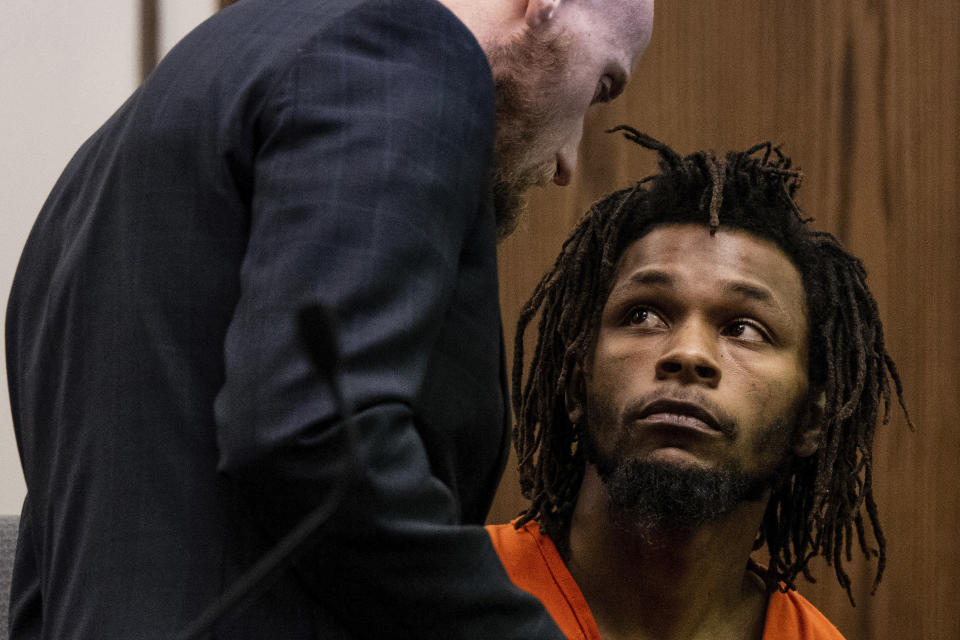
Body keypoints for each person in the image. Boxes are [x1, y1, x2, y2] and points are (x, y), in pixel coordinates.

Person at [4, 1, 654, 638]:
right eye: (601, 86)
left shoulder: (133, 136)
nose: (570, 160)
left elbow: (52, 550)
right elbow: (317, 433)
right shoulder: (405, 51)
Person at [488, 128, 911, 640]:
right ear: (577, 381)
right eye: (644, 314)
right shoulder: (439, 600)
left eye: (744, 328)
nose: (687, 354)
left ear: (812, 418)